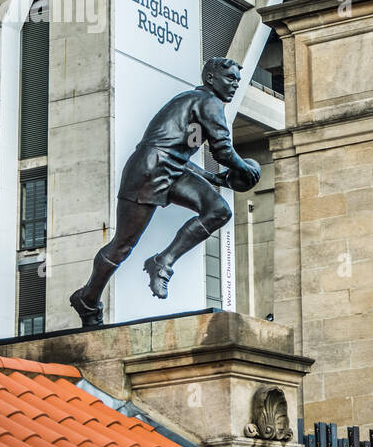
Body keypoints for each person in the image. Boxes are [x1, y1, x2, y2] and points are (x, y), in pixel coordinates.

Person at [69, 57, 261, 326]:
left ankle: (163, 262)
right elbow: (223, 150)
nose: (234, 86)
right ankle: (88, 299)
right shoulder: (209, 102)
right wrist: (246, 169)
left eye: (237, 82)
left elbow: (180, 153)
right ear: (210, 79)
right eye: (230, 79)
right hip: (150, 170)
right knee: (123, 245)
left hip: (169, 168)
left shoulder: (194, 103)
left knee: (219, 211)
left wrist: (212, 177)